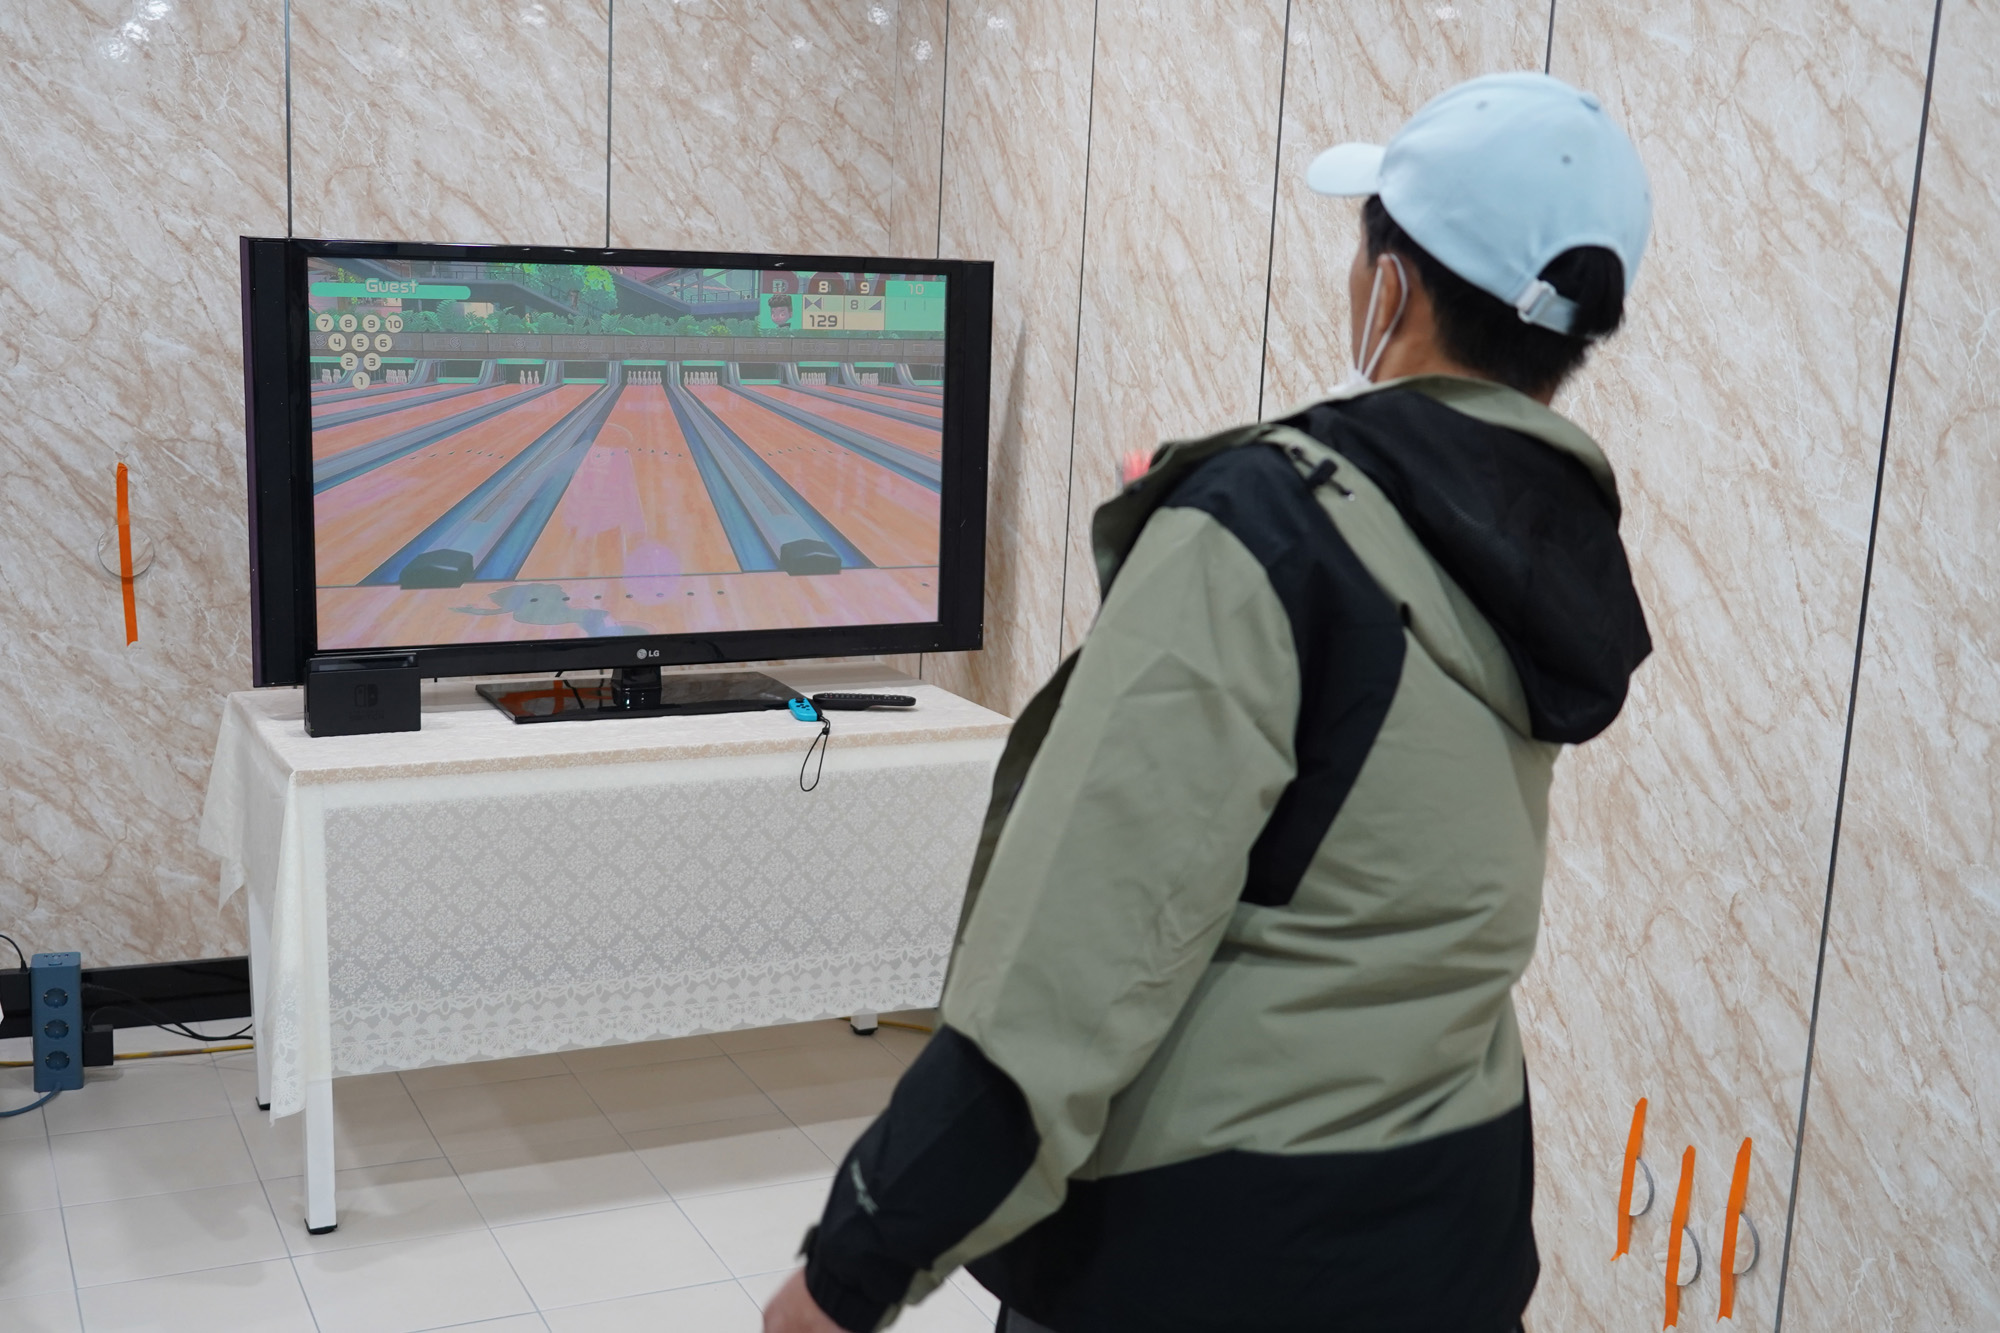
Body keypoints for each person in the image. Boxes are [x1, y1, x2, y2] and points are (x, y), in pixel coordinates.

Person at [764, 71, 1654, 1333]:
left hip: (1203, 1251)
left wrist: (848, 1268)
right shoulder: (1544, 545)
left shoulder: (1268, 526)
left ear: (1388, 287)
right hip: (1453, 1234)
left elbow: (1064, 976)